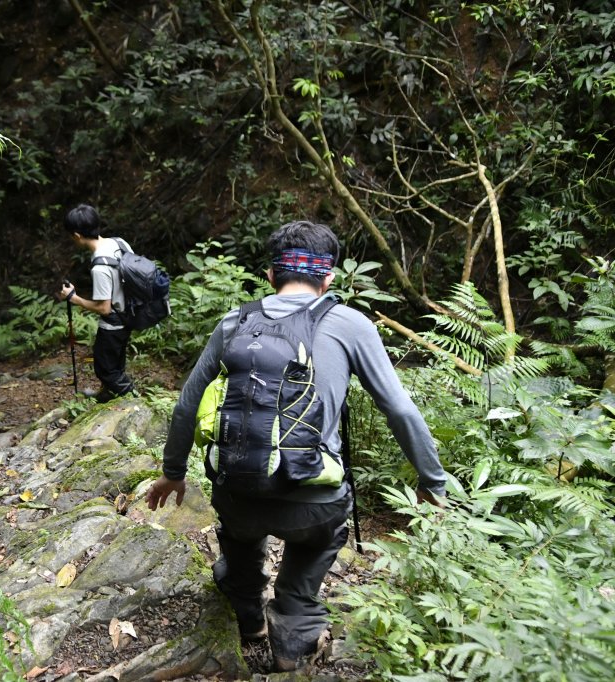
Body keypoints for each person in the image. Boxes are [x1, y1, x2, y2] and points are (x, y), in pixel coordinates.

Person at [145, 220, 446, 672]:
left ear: (271, 275)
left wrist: (173, 472)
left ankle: (248, 614)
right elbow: (400, 411)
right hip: (314, 505)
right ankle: (293, 621)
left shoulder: (234, 321)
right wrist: (431, 481)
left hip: (239, 495)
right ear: (329, 278)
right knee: (320, 538)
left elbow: (187, 403)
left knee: (239, 540)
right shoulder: (350, 323)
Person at [57, 204, 136, 401]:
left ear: (76, 235)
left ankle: (135, 400)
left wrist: (73, 298)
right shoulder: (119, 243)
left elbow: (104, 307)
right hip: (130, 314)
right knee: (116, 362)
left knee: (106, 369)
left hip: (114, 323)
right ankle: (108, 394)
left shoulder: (100, 267)